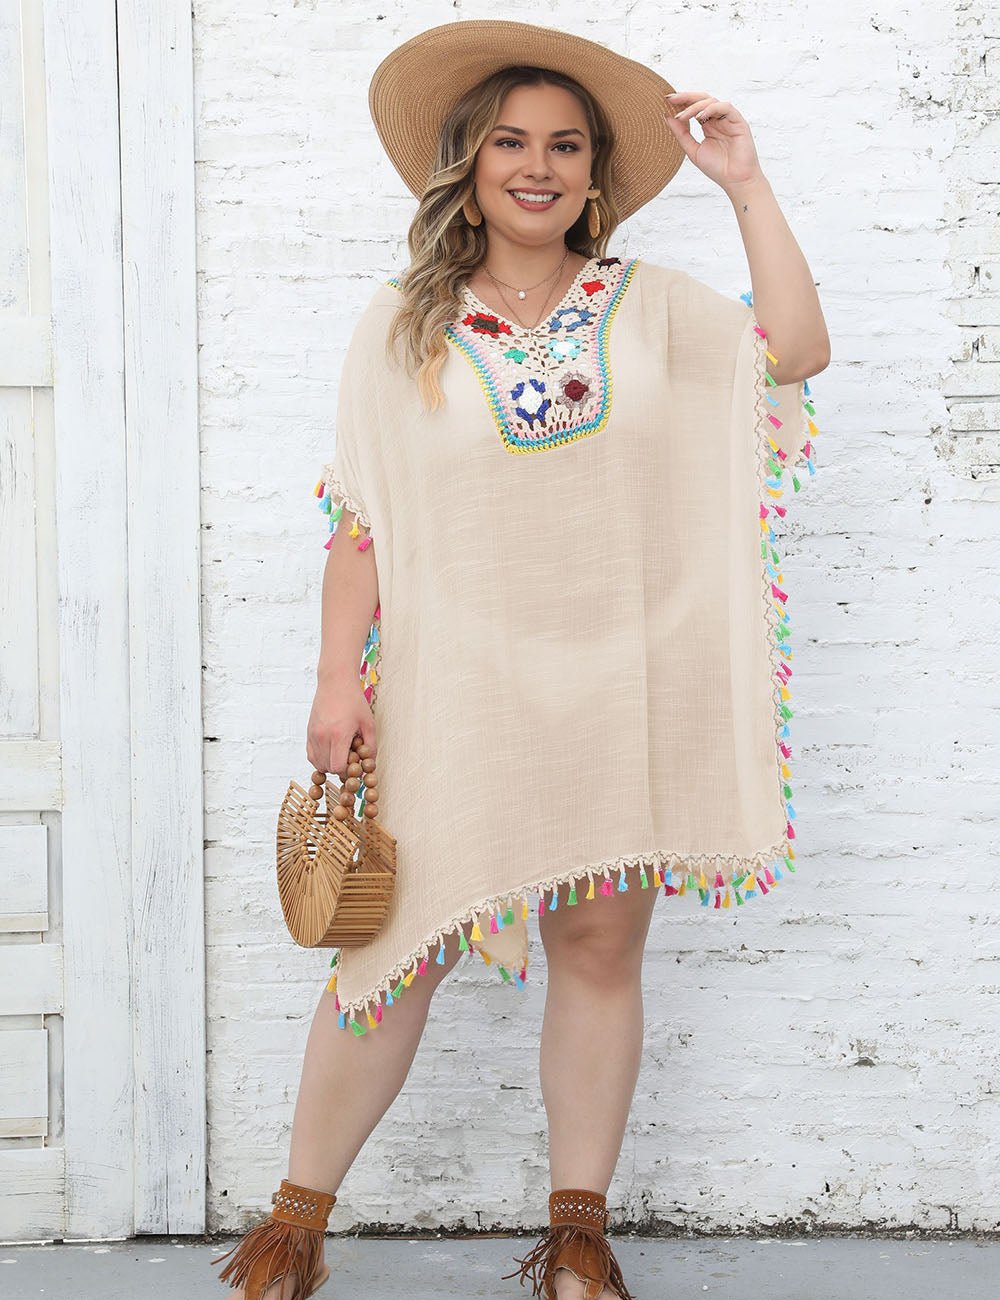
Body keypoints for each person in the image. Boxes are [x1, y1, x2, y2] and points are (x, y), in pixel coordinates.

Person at [212, 18, 829, 1300]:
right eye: (509, 143)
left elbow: (794, 348)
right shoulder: (405, 326)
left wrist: (746, 183)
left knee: (598, 951)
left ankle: (576, 1236)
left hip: (621, 685)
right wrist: (336, 681)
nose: (536, 167)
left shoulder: (651, 309)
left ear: (595, 173)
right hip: (460, 692)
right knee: (392, 956)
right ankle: (293, 1223)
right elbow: (361, 517)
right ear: (469, 163)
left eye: (563, 146)